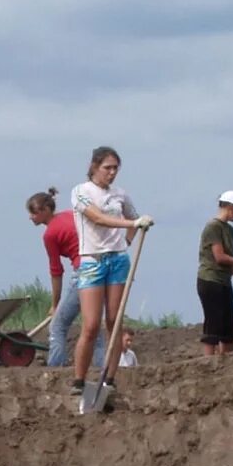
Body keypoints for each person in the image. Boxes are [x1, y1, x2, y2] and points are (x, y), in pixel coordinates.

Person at [69, 146, 153, 391]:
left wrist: (127, 238)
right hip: (92, 261)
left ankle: (110, 377)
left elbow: (134, 219)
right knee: (91, 324)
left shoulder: (120, 195)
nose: (112, 173)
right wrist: (131, 223)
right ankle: (79, 379)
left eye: (116, 168)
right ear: (95, 167)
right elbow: (97, 218)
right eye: (107, 168)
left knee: (114, 321)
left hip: (117, 260)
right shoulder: (81, 192)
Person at [29, 189, 84, 368]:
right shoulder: (70, 214)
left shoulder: (50, 234)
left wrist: (55, 304)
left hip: (83, 271)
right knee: (92, 327)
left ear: (45, 210)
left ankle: (54, 370)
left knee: (57, 326)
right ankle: (100, 366)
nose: (31, 217)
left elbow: (56, 271)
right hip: (98, 266)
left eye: (33, 212)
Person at [196, 189, 233, 355]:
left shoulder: (229, 230)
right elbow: (220, 257)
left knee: (229, 326)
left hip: (224, 281)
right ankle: (209, 363)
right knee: (214, 325)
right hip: (210, 280)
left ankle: (225, 363)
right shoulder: (212, 227)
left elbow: (229, 260)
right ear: (230, 207)